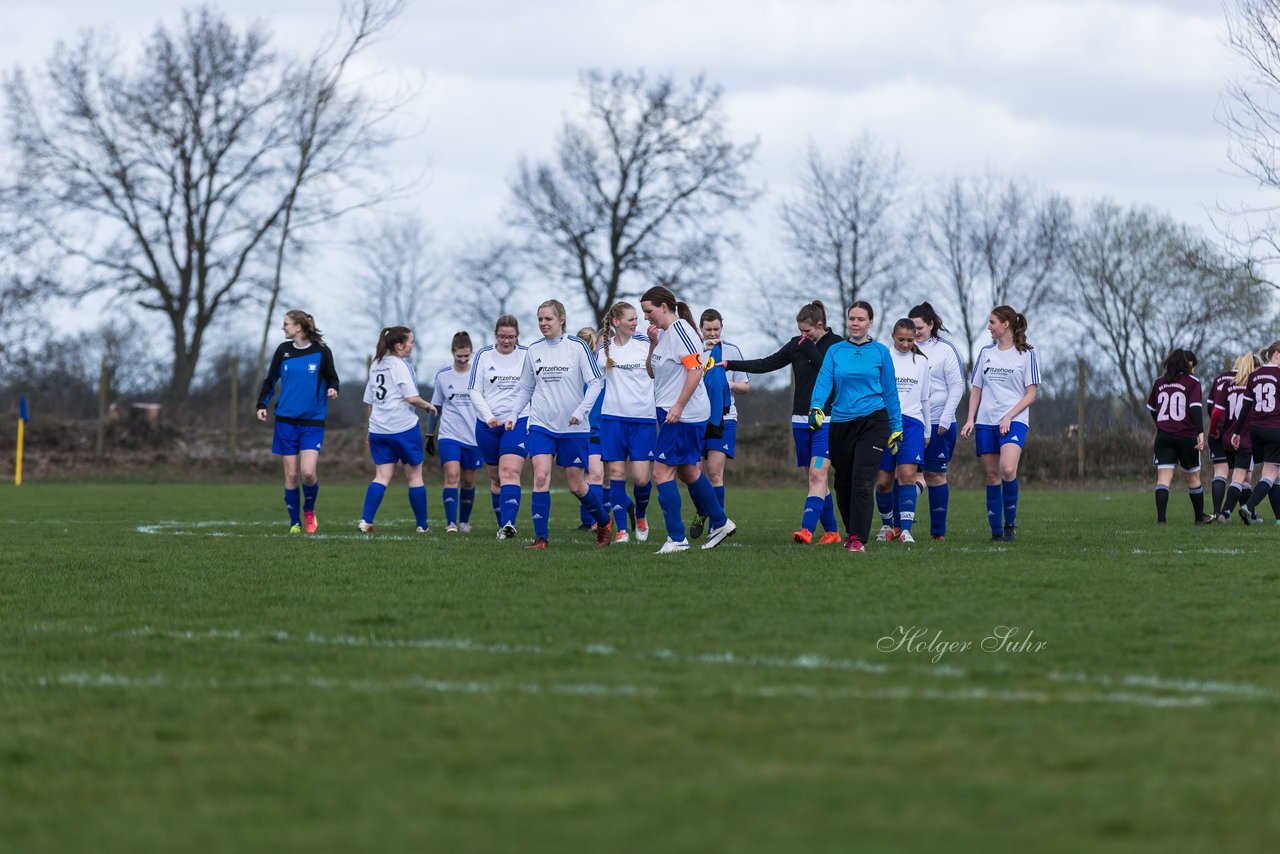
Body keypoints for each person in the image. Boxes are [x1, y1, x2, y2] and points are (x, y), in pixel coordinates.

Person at [725, 300, 843, 545]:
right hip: (800, 422)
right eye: (800, 331)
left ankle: (807, 530)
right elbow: (767, 363)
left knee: (818, 473)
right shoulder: (796, 344)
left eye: (807, 331)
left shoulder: (837, 345)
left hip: (828, 421)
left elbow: (827, 372)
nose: (802, 335)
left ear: (820, 325)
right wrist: (730, 364)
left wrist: (808, 347)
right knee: (815, 479)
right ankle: (832, 532)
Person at [507, 300, 613, 549]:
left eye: (548, 319)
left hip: (573, 427)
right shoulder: (533, 350)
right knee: (541, 476)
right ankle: (541, 539)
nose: (543, 323)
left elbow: (596, 383)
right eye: (540, 319)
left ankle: (604, 522)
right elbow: (526, 387)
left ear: (561, 319)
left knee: (576, 485)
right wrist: (513, 414)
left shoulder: (577, 347)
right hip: (541, 423)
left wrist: (580, 411)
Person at [641, 285, 737, 553]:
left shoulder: (682, 331)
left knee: (660, 472)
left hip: (682, 416)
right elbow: (652, 372)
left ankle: (677, 538)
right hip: (671, 412)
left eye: (648, 311)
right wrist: (652, 345)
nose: (646, 317)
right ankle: (719, 521)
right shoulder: (665, 334)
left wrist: (679, 407)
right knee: (687, 470)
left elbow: (696, 371)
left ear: (663, 307)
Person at [809, 301, 902, 552]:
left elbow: (890, 391)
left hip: (874, 420)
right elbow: (824, 381)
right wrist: (816, 406)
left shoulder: (881, 352)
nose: (855, 323)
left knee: (862, 480)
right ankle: (852, 531)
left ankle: (856, 538)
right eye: (852, 318)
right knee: (843, 483)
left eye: (861, 319)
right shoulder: (836, 351)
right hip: (840, 422)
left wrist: (896, 426)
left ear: (870, 322)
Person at [960, 306, 1040, 542]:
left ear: (1006, 324)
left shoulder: (1027, 354)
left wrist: (1009, 416)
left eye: (992, 322)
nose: (989, 327)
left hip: (1014, 421)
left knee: (1007, 469)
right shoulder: (986, 353)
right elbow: (977, 388)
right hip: (986, 422)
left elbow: (1031, 394)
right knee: (992, 474)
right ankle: (996, 532)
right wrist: (970, 419)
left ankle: (1010, 525)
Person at [255, 310, 340, 534]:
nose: (283, 328)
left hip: (312, 421)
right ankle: (294, 522)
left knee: (308, 473)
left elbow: (333, 377)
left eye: (286, 324)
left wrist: (333, 388)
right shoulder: (283, 351)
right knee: (291, 475)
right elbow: (270, 380)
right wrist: (262, 405)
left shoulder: (322, 351)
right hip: (285, 421)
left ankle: (309, 511)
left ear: (299, 327)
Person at [357, 327, 438, 533]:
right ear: (399, 345)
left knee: (381, 477)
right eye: (411, 341)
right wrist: (428, 406)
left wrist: (370, 427)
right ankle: (422, 526)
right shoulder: (400, 365)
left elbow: (370, 400)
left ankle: (366, 521)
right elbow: (411, 398)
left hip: (379, 430)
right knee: (415, 477)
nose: (413, 345)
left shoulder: (376, 364)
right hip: (402, 428)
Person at [597, 302, 657, 543]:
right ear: (616, 322)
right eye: (631, 319)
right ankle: (621, 529)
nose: (636, 323)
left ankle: (640, 515)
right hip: (613, 420)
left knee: (642, 478)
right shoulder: (603, 350)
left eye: (636, 318)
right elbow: (591, 383)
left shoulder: (645, 344)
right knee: (616, 474)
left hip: (643, 420)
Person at [468, 315, 531, 540]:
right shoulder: (484, 356)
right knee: (496, 478)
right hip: (487, 425)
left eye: (511, 337)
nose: (507, 341)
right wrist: (489, 416)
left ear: (517, 337)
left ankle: (508, 523)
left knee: (509, 472)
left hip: (519, 421)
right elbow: (473, 390)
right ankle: (501, 527)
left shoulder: (527, 355)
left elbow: (535, 388)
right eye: (503, 337)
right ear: (496, 335)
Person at [908, 302, 966, 541]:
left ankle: (938, 534)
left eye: (919, 327)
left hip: (940, 423)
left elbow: (957, 386)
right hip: (912, 422)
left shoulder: (945, 350)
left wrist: (944, 419)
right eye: (912, 327)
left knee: (935, 476)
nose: (915, 332)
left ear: (931, 325)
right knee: (903, 474)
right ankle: (896, 528)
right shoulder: (904, 348)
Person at [875, 319, 931, 544]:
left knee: (907, 476)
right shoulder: (882, 357)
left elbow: (925, 398)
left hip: (912, 424)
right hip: (885, 423)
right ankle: (887, 525)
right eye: (901, 339)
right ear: (892, 336)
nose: (906, 344)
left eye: (910, 340)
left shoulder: (922, 362)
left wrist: (927, 430)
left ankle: (905, 530)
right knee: (883, 481)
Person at [694, 308, 749, 535]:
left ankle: (717, 526)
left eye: (716, 329)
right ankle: (701, 511)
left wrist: (727, 385)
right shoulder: (694, 350)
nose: (713, 333)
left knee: (715, 472)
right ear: (701, 329)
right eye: (708, 330)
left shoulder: (732, 351)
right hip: (696, 418)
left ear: (722, 327)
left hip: (725, 418)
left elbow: (745, 386)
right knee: (694, 472)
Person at [1145, 347, 1209, 525]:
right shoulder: (1192, 382)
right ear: (1186, 364)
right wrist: (1200, 432)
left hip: (1164, 437)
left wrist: (1162, 424)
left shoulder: (1159, 382)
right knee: (1193, 478)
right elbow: (1195, 408)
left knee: (1163, 479)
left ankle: (1161, 521)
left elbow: (1151, 409)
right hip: (1186, 436)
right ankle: (1198, 519)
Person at [428, 332, 484, 533]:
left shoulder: (478, 374)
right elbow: (436, 407)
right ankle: (451, 523)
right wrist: (429, 435)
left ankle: (464, 522)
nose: (462, 360)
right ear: (452, 352)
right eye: (458, 356)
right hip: (449, 435)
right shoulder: (443, 376)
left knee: (468, 480)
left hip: (474, 436)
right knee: (452, 475)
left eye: (466, 356)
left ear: (471, 353)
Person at [1230, 341, 1280, 524]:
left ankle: (1279, 519)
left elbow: (1246, 406)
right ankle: (1248, 507)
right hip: (1275, 428)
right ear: (1276, 355)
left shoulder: (1254, 375)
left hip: (1256, 430)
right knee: (1270, 473)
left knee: (1274, 472)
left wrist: (1236, 432)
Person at [1211, 353, 1260, 523]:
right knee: (1240, 477)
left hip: (1227, 438)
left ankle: (1248, 515)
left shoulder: (1227, 385)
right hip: (1245, 438)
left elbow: (1217, 412)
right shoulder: (1254, 387)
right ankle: (1225, 512)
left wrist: (1219, 431)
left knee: (1237, 477)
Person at [575, 326, 610, 533]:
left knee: (594, 475)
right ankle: (590, 520)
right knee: (589, 477)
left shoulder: (600, 365)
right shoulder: (586, 365)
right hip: (585, 428)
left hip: (594, 428)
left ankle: (594, 520)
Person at [1206, 357, 1237, 518]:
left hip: (1218, 430)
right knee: (1243, 475)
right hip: (1237, 432)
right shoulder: (1246, 379)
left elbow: (1211, 407)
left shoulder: (1219, 379)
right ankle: (1245, 512)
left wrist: (1214, 428)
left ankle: (1217, 512)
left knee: (1220, 472)